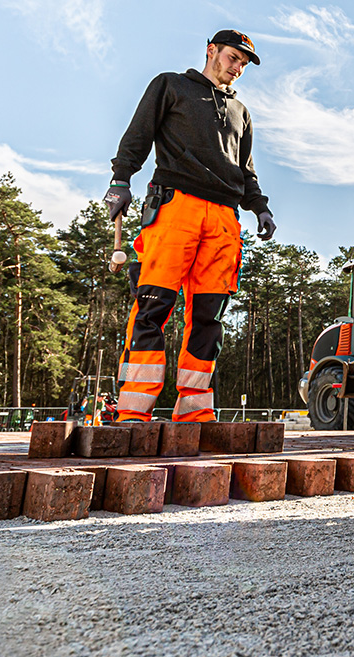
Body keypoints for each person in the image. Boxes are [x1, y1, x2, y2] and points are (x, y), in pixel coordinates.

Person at [102, 30, 277, 423]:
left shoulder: (241, 113)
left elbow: (245, 170)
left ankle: (194, 413)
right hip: (175, 208)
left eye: (244, 64)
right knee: (152, 308)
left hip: (223, 221)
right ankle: (133, 411)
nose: (238, 68)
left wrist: (259, 207)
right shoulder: (171, 85)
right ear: (211, 51)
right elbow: (137, 136)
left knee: (209, 317)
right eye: (233, 58)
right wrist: (120, 180)